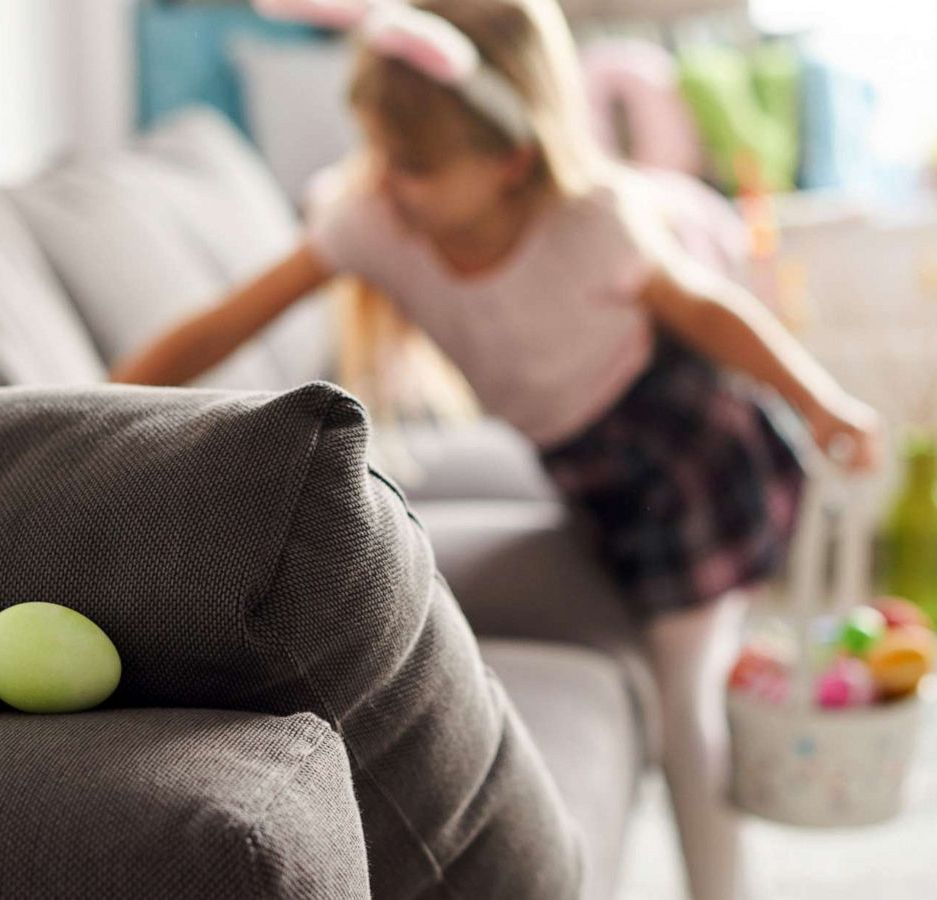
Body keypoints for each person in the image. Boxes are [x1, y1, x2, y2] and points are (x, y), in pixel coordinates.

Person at [112, 2, 884, 896]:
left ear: (511, 157)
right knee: (671, 676)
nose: (389, 184)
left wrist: (822, 401)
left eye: (419, 168)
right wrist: (102, 406)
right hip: (585, 469)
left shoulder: (593, 221)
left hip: (685, 459)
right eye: (378, 154)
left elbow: (712, 314)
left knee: (684, 700)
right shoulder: (374, 219)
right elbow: (218, 328)